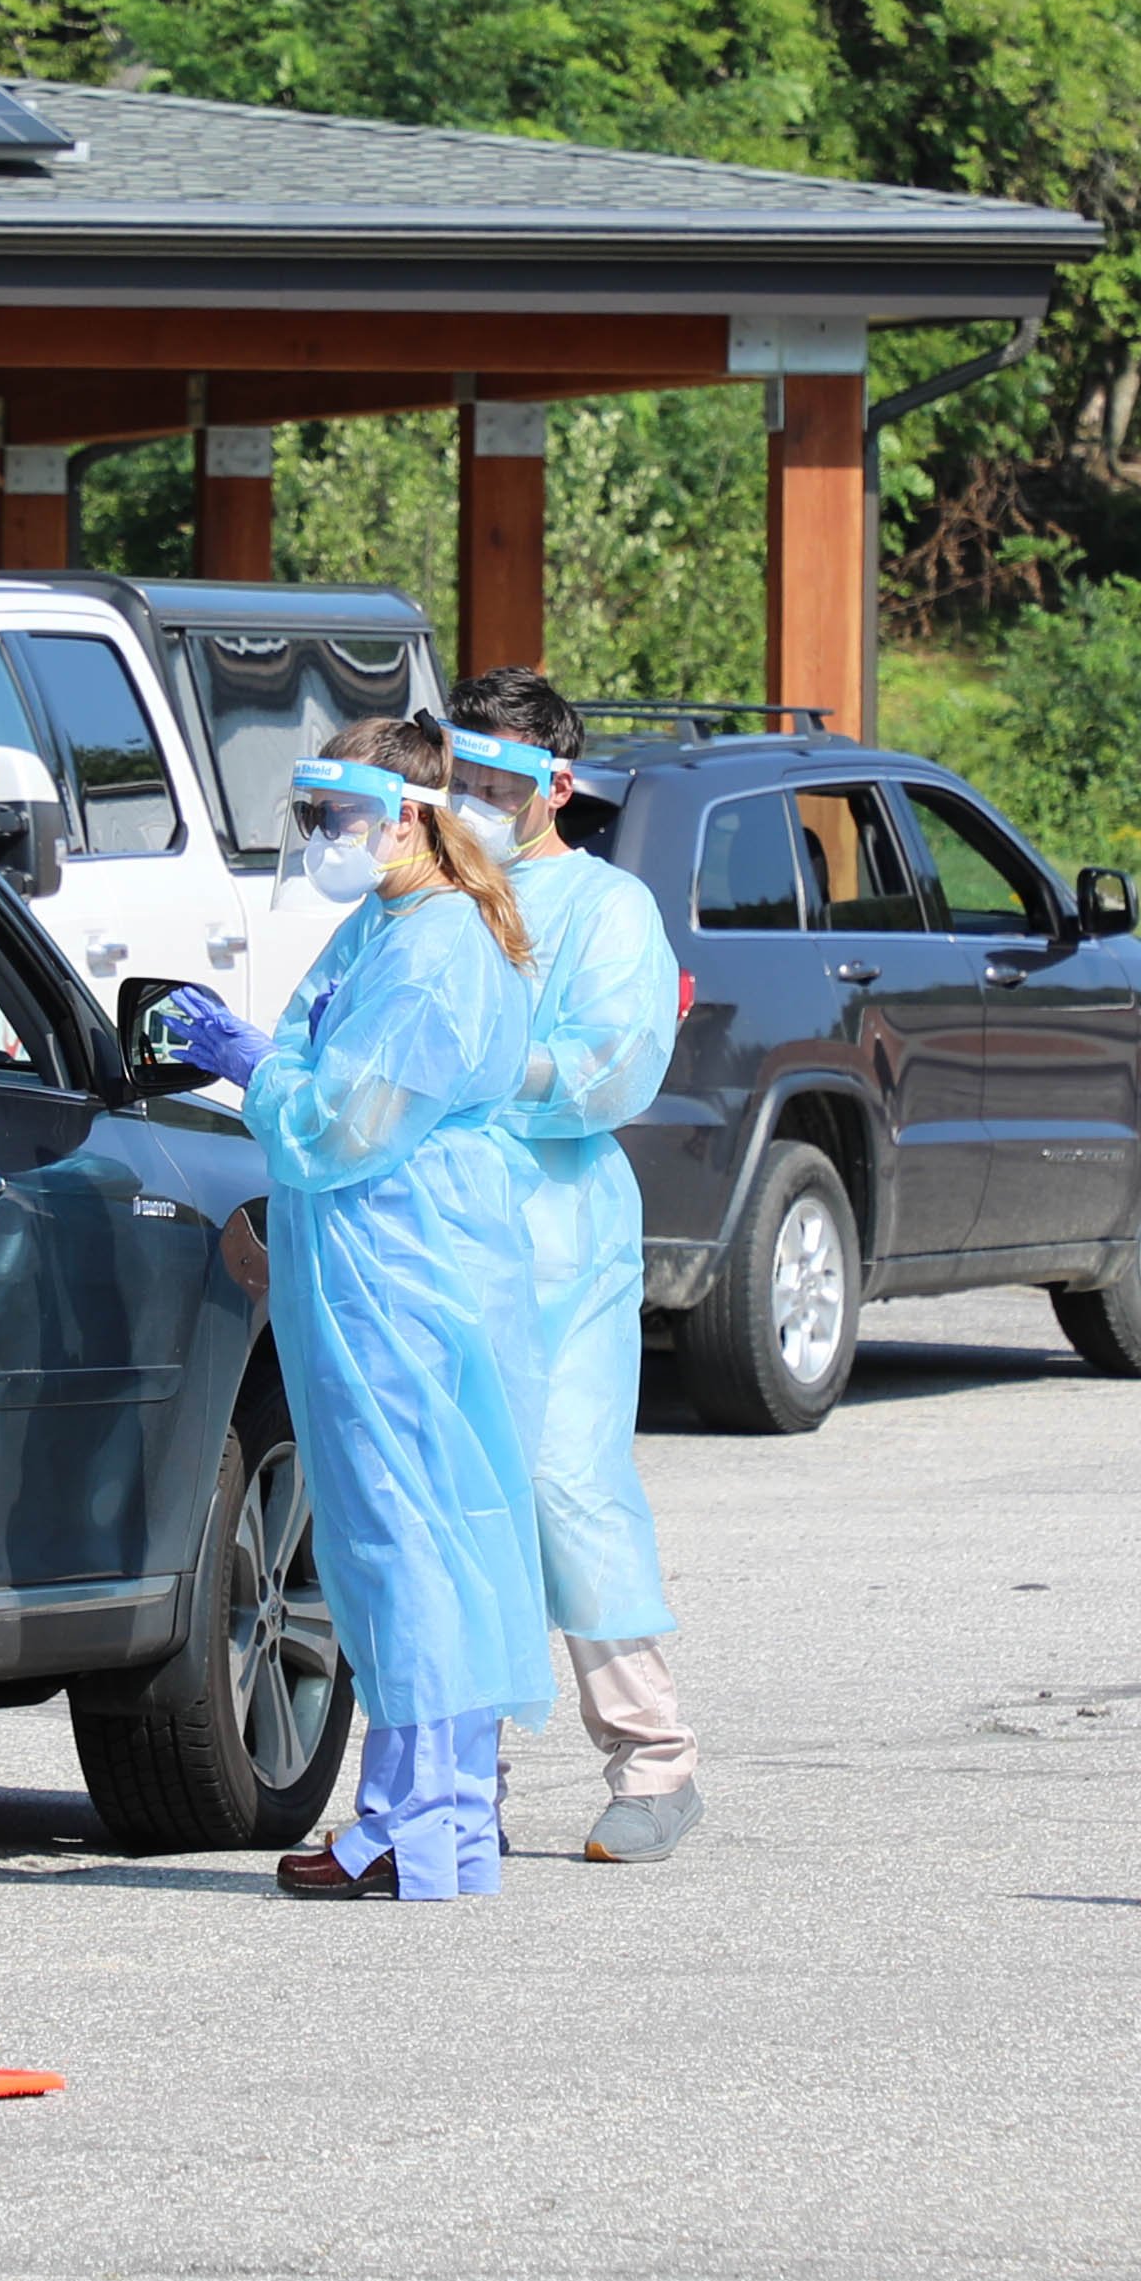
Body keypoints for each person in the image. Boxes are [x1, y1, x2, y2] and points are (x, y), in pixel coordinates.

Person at [163, 728, 550, 1895]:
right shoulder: (387, 925)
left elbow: (342, 1123)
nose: (328, 836)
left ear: (409, 812)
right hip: (372, 1256)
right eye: (317, 811)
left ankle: (413, 1829)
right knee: (407, 1540)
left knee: (408, 1545)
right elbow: (343, 1083)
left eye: (341, 810)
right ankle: (439, 1823)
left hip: (403, 1270)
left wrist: (248, 1064)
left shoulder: (435, 949)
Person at [446, 671, 700, 1859]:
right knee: (450, 1502)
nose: (478, 797)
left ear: (557, 782)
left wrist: (496, 1069)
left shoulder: (606, 907)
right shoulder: (424, 897)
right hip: (429, 1236)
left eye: (502, 777)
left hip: (556, 1243)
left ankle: (653, 1761)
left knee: (564, 1487)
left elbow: (615, 1061)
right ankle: (454, 1783)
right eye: (464, 773)